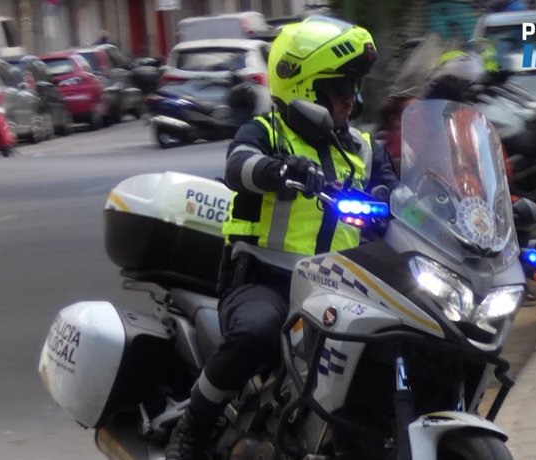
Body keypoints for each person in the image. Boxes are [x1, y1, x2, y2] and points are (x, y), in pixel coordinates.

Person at [164, 15, 398, 460]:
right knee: (256, 334)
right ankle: (192, 428)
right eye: (341, 88)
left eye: (355, 87)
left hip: (339, 288)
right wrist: (279, 170)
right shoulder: (267, 133)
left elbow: (403, 193)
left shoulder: (364, 148)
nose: (353, 99)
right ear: (306, 88)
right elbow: (239, 165)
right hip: (265, 282)